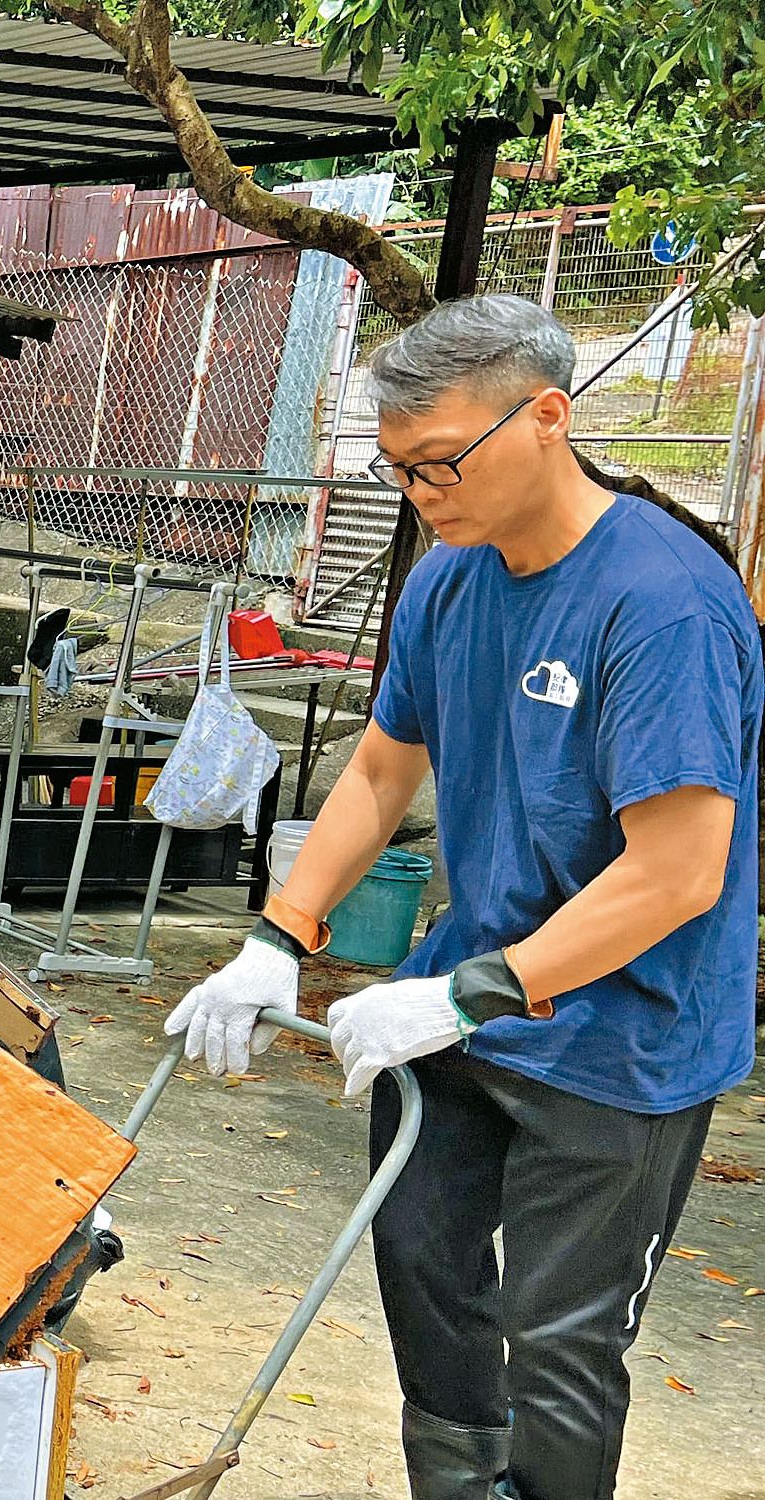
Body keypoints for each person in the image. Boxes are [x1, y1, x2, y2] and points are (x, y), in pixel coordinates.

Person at [164, 295, 759, 1500]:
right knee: (422, 1271)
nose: (422, 493)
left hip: (622, 1034)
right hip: (467, 998)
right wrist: (281, 933)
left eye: (442, 463)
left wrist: (470, 995)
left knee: (559, 1336)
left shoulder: (662, 606)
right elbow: (385, 768)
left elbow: (678, 871)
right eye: (398, 470)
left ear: (549, 418)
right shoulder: (448, 586)